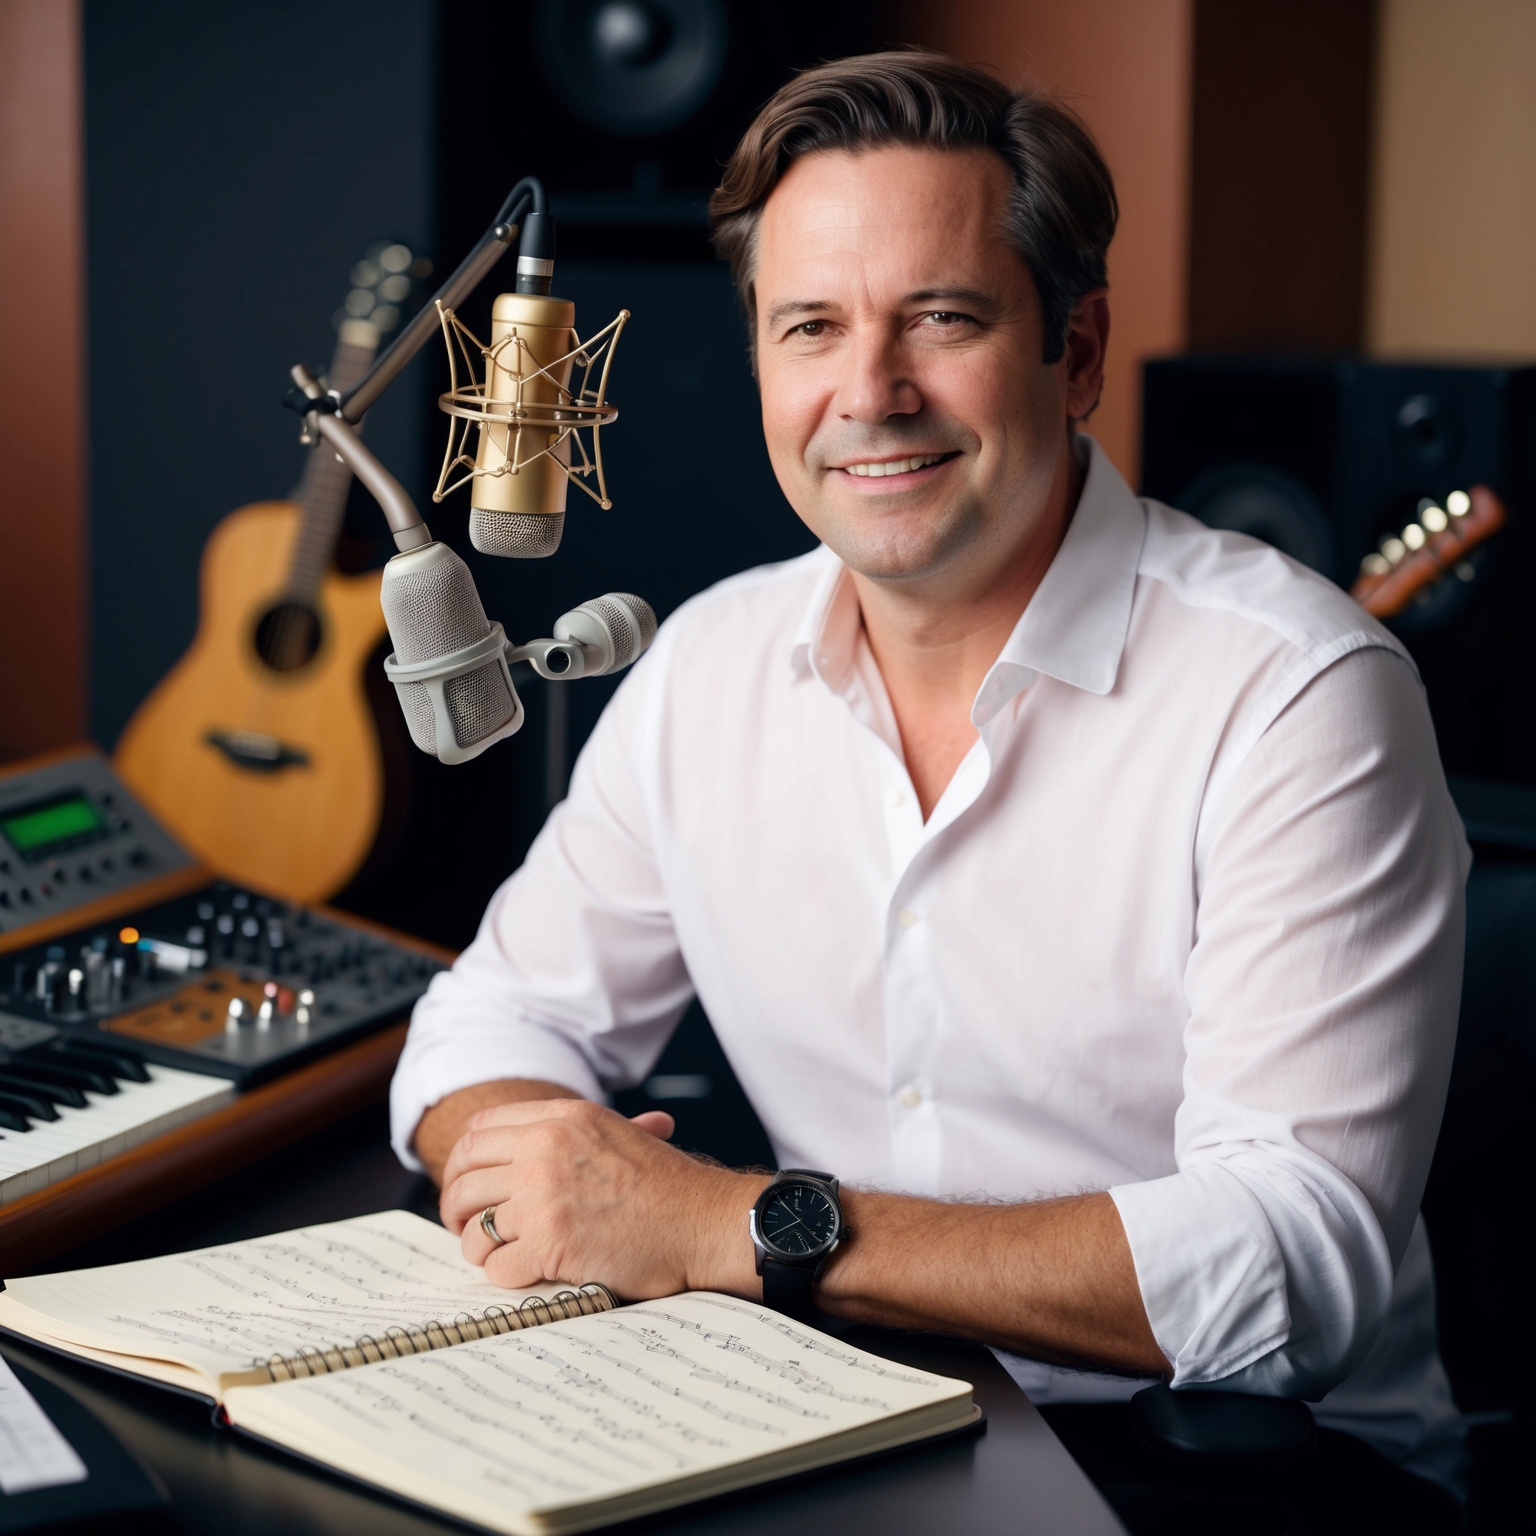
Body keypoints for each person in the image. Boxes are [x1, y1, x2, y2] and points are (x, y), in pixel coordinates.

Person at [390, 52, 1467, 1528]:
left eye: (942, 319)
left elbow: (1291, 1266)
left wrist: (727, 1226)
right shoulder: (707, 668)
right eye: (811, 328)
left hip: (1235, 1475)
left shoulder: (1296, 693)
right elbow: (485, 1024)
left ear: (1075, 353)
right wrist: (562, 1177)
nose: (869, 394)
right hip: (853, 1422)